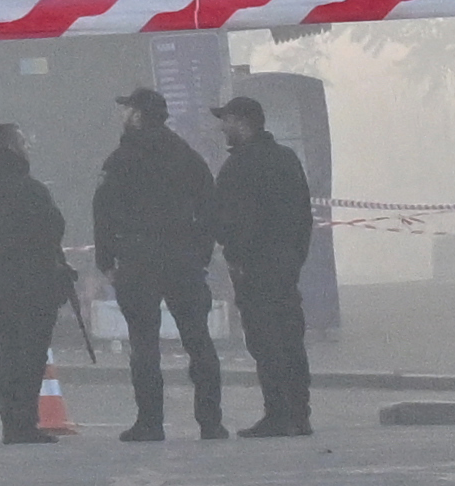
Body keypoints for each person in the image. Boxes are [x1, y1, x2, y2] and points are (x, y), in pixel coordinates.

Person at [93, 85, 227, 442]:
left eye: (126, 109)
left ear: (137, 115)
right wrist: (200, 252)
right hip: (183, 258)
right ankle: (211, 422)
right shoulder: (186, 156)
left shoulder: (120, 161)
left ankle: (150, 423)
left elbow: (103, 214)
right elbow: (209, 207)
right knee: (198, 339)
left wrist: (106, 260)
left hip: (138, 260)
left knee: (144, 343)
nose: (122, 116)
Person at [0, 123, 75, 440]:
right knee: (32, 353)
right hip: (35, 280)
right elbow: (54, 229)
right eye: (23, 141)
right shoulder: (31, 189)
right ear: (10, 147)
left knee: (9, 352)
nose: (28, 146)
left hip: (1, 280)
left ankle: (11, 421)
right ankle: (25, 421)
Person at [216, 91, 321, 437]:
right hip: (286, 267)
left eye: (227, 121)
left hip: (255, 270)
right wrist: (295, 257)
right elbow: (303, 215)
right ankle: (299, 414)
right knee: (291, 338)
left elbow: (229, 220)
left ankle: (277, 413)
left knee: (264, 341)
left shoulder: (238, 165)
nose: (223, 128)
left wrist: (236, 259)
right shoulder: (286, 159)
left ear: (243, 123)